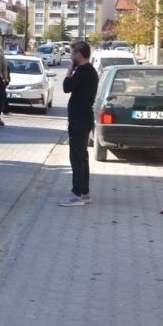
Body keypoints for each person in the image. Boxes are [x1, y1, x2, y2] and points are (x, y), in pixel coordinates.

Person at [59, 40, 98, 206]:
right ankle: (84, 192)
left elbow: (66, 87)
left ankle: (76, 194)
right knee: (82, 156)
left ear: (79, 54)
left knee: (76, 157)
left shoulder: (83, 71)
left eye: (72, 53)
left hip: (80, 119)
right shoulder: (89, 71)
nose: (70, 56)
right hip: (83, 118)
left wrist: (68, 71)